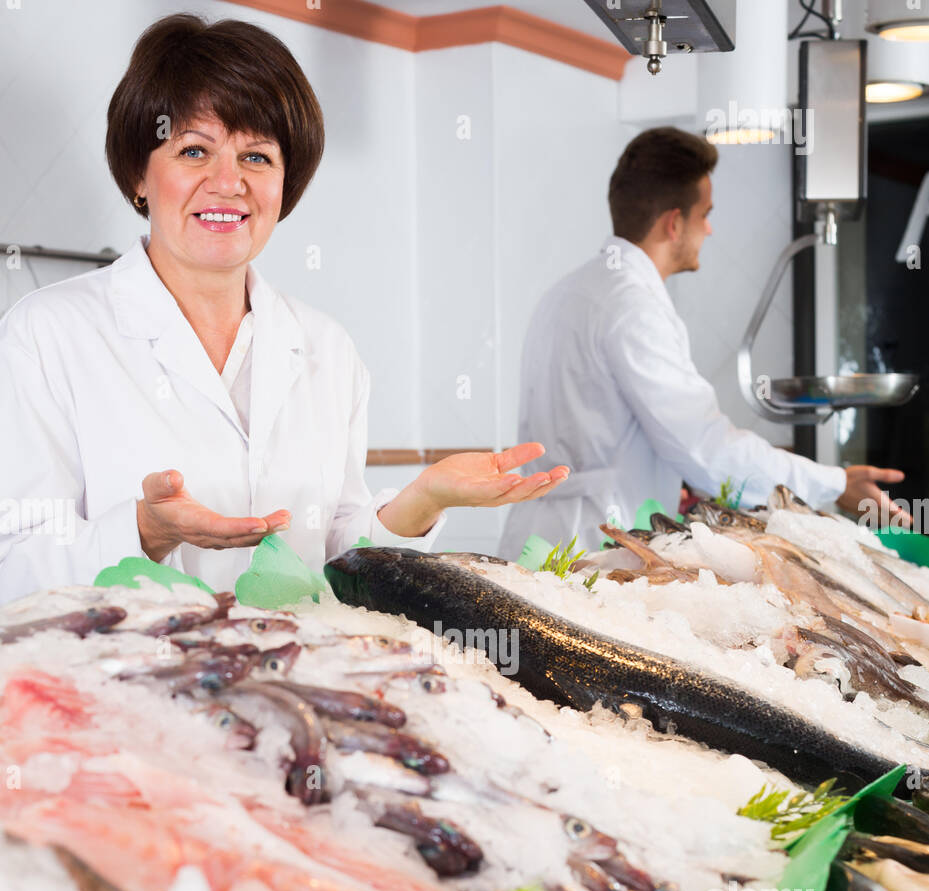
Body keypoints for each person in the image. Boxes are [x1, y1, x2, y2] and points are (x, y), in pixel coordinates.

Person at [0, 14, 568, 605]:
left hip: (295, 679)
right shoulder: (45, 335)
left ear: (284, 184)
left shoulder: (327, 347)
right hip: (123, 685)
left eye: (257, 157)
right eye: (195, 150)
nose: (228, 183)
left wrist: (422, 500)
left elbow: (338, 550)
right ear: (139, 175)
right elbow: (11, 565)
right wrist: (143, 532)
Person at [499, 126, 906, 560]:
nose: (710, 230)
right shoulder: (633, 306)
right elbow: (707, 450)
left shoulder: (566, 292)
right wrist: (835, 484)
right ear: (674, 223)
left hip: (535, 542)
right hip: (590, 548)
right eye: (705, 214)